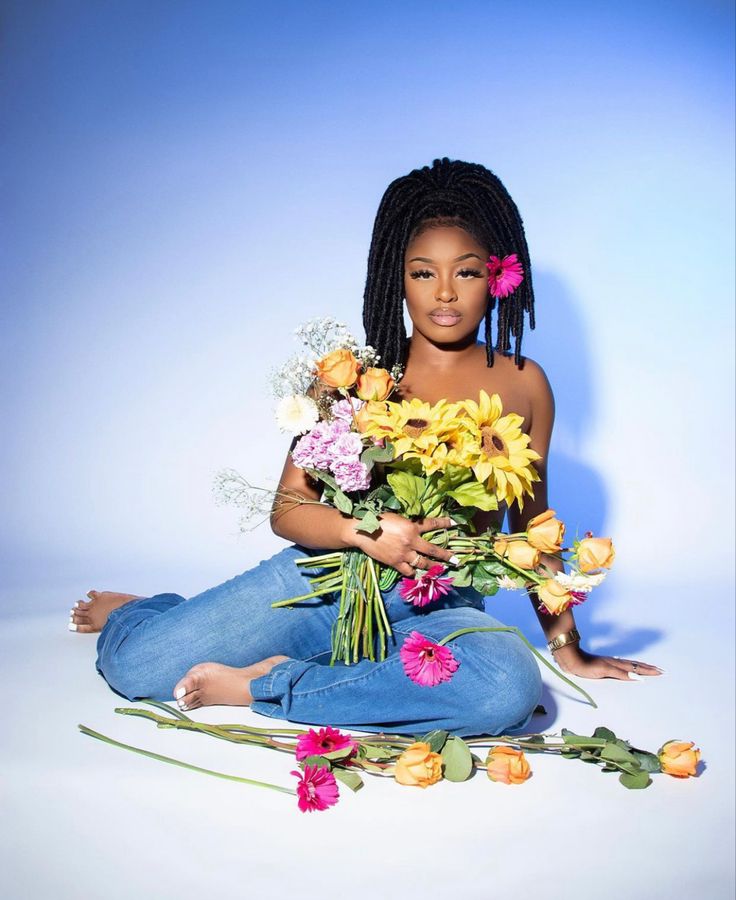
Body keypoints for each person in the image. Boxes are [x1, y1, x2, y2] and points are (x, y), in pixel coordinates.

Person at [68, 157, 663, 739]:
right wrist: (365, 533)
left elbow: (533, 525)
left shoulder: (525, 384)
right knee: (135, 668)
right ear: (395, 279)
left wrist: (569, 649)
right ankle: (144, 614)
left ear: (498, 278)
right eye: (423, 272)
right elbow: (287, 507)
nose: (446, 293)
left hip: (443, 604)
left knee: (504, 688)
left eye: (469, 271)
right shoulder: (352, 375)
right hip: (325, 583)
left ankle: (271, 683)